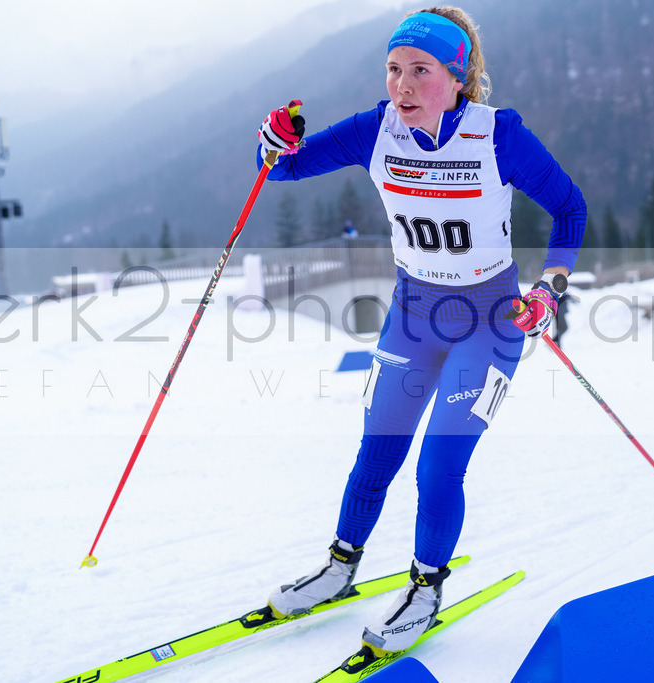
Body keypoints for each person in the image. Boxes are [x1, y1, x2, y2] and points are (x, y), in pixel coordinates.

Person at [255, 5, 587, 658]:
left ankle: (426, 586)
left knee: (439, 464)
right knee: (377, 450)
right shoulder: (374, 131)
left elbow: (569, 208)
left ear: (457, 79)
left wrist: (550, 286)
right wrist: (271, 138)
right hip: (411, 316)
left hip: (489, 324)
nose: (402, 86)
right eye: (393, 70)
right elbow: (283, 167)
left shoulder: (500, 136)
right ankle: (339, 566)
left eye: (420, 71)